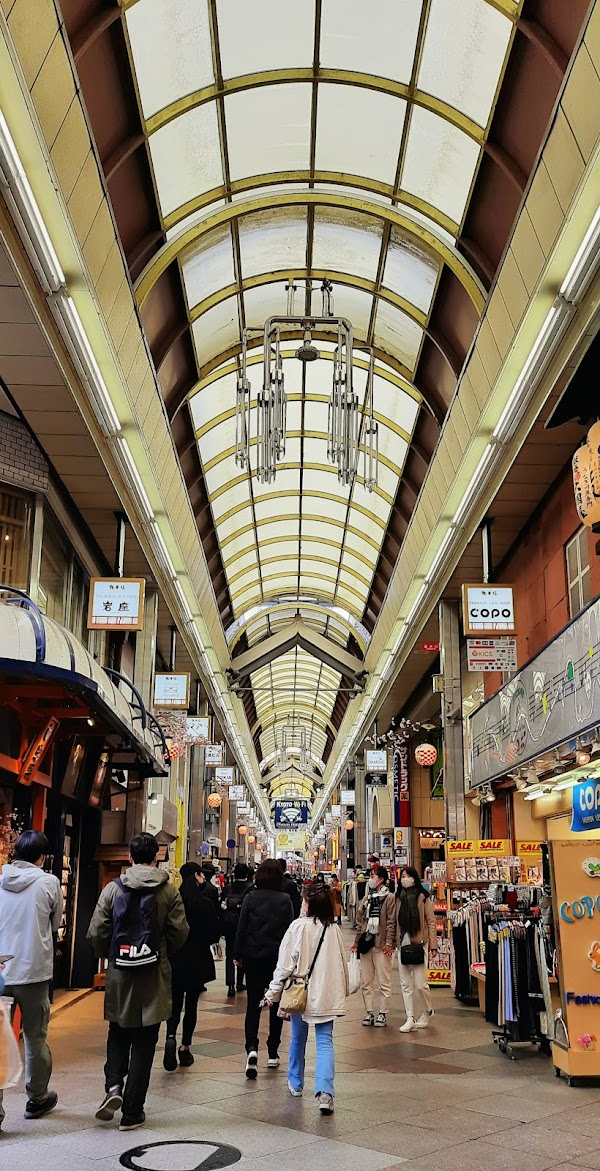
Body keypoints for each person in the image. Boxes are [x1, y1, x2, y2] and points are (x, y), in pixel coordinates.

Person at [87, 832, 188, 1131]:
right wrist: (161, 950)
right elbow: (180, 932)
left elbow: (96, 932)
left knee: (118, 1031)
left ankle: (114, 1085)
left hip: (120, 973)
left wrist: (113, 955)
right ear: (156, 857)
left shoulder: (112, 890)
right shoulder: (169, 892)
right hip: (155, 973)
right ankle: (132, 1112)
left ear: (130, 857)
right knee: (145, 1041)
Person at [265, 881, 349, 1115]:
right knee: (325, 1041)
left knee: (297, 1038)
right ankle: (325, 1093)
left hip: (299, 993)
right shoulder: (334, 929)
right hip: (325, 994)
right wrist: (343, 990)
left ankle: (296, 1083)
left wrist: (272, 993)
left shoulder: (297, 927)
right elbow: (342, 963)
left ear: (308, 904)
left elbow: (284, 965)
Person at [0, 830, 62, 1129]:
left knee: (0, 1039)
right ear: (42, 857)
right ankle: (37, 1098)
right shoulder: (49, 883)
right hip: (34, 971)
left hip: (1, 971)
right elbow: (54, 925)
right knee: (35, 1037)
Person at [234, 857, 293, 1078]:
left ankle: (251, 1048)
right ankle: (272, 1051)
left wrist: (238, 955)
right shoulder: (285, 899)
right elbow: (290, 932)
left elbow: (242, 928)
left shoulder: (250, 898)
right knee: (276, 1004)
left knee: (253, 1005)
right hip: (277, 960)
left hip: (253, 957)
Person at [163, 863, 220, 1071]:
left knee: (174, 1003)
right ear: (196, 876)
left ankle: (170, 1035)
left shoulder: (172, 901)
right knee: (192, 1005)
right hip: (197, 959)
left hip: (175, 958)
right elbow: (215, 933)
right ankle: (185, 1047)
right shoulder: (204, 903)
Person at [351, 865, 396, 1028]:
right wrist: (356, 943)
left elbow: (391, 922)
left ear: (381, 879)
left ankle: (383, 1013)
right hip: (366, 944)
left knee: (384, 981)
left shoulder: (389, 898)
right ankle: (369, 1011)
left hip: (382, 945)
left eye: (373, 875)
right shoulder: (366, 898)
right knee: (366, 981)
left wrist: (389, 942)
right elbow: (359, 922)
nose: (370, 878)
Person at [396, 865, 437, 1032]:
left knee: (420, 984)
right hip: (402, 943)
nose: (404, 878)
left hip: (420, 943)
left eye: (407, 875)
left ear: (414, 877)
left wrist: (433, 944)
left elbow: (431, 921)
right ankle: (410, 1018)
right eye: (402, 876)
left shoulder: (423, 897)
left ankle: (428, 1011)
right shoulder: (397, 897)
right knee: (405, 984)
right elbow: (393, 921)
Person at [221, 862, 252, 997]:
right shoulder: (250, 889)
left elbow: (221, 905)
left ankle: (230, 984)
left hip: (229, 924)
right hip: (244, 926)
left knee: (230, 953)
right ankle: (240, 982)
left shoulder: (228, 888)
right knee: (242, 953)